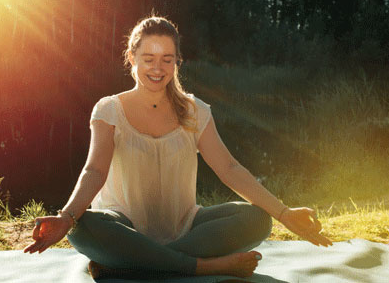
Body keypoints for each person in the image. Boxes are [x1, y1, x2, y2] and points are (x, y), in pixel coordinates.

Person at [23, 16, 332, 279]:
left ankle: (132, 264)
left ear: (177, 62)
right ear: (132, 58)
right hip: (123, 224)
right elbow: (95, 169)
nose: (157, 68)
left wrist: (284, 212)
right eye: (148, 59)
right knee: (83, 226)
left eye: (167, 60)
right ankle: (201, 267)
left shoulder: (195, 111)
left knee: (258, 219)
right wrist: (66, 217)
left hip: (185, 227)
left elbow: (229, 168)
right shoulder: (109, 110)